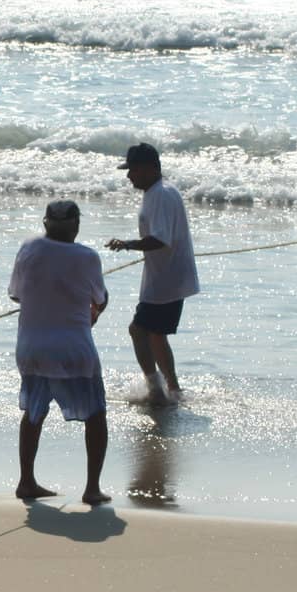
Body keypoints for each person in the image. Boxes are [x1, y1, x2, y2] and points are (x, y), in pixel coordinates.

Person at [9, 200, 110, 505]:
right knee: (96, 415)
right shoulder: (87, 257)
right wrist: (94, 310)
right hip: (72, 349)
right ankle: (92, 488)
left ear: (45, 224)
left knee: (34, 414)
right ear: (76, 226)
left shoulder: (28, 249)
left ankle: (27, 481)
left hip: (32, 348)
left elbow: (16, 294)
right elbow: (100, 299)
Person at [105, 143, 199, 405]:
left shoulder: (161, 195)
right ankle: (173, 388)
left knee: (138, 330)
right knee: (156, 335)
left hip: (166, 280)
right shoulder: (158, 192)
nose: (128, 176)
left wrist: (128, 244)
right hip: (165, 277)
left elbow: (160, 239)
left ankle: (155, 389)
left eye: (132, 169)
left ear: (149, 168)